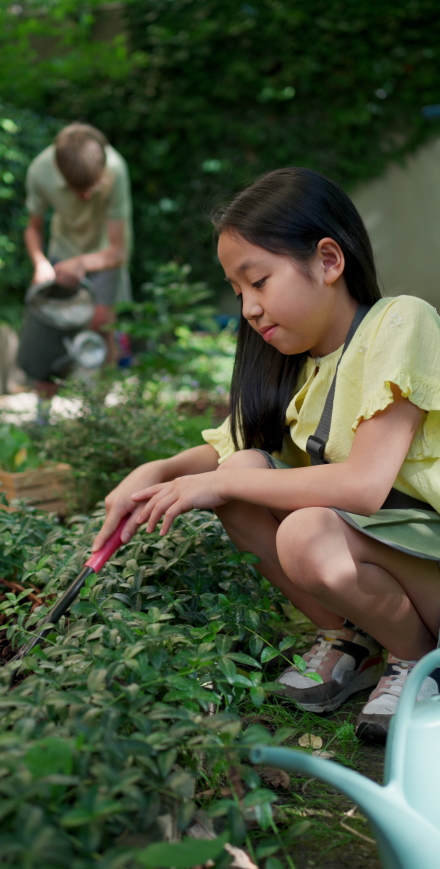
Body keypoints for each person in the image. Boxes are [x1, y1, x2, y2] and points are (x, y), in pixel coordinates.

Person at [93, 167, 440, 743]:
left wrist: (225, 484)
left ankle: (419, 660)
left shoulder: (400, 322)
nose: (250, 308)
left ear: (328, 261)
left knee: (298, 527)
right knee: (243, 468)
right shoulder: (295, 369)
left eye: (259, 281)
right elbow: (220, 453)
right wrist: (151, 474)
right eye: (239, 293)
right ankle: (353, 643)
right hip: (401, 572)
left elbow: (364, 486)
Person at [23, 123, 133, 410]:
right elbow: (32, 228)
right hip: (63, 251)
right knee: (50, 329)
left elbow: (118, 251)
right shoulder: (39, 171)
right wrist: (40, 262)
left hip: (105, 254)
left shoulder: (116, 169)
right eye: (77, 189)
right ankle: (42, 416)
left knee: (101, 327)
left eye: (91, 188)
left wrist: (82, 263)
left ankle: (97, 412)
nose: (85, 196)